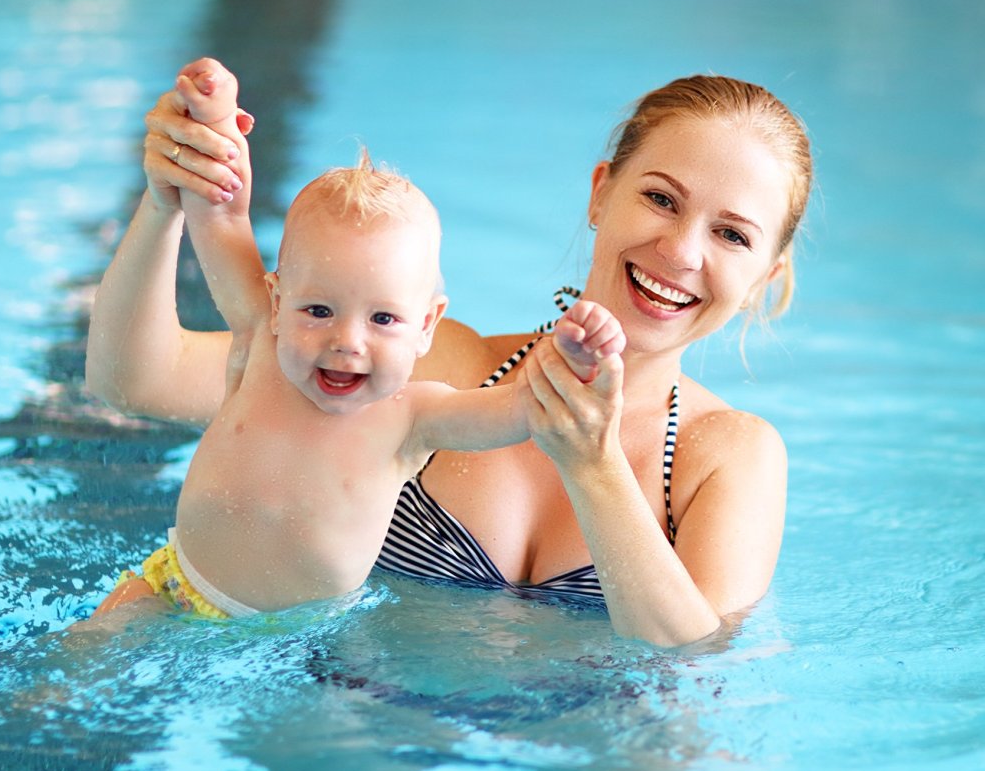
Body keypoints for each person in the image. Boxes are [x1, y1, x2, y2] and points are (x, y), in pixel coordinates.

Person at [86, 59, 811, 646]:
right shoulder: (418, 365)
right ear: (601, 194)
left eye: (733, 235)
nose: (681, 251)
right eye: (661, 199)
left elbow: (697, 678)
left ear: (763, 281)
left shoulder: (728, 456)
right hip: (340, 744)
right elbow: (136, 383)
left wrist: (591, 464)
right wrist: (163, 203)